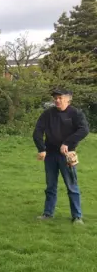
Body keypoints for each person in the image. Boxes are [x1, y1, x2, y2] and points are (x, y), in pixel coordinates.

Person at [33, 87, 89, 224]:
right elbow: (37, 131)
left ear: (68, 99)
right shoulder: (48, 114)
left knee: (72, 186)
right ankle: (48, 213)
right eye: (55, 98)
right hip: (50, 155)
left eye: (60, 98)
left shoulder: (75, 113)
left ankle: (77, 216)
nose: (57, 100)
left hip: (67, 155)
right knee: (50, 186)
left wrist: (67, 143)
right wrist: (42, 148)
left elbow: (84, 130)